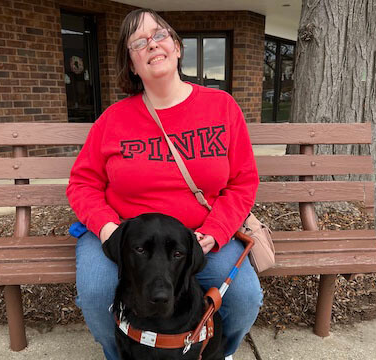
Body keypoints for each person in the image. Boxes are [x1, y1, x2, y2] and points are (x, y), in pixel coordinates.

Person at [66, 8, 263, 360]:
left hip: (197, 235)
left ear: (176, 46)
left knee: (245, 296)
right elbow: (82, 183)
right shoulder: (113, 119)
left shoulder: (222, 107)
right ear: (131, 64)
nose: (152, 45)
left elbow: (243, 182)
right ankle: (121, 354)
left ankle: (217, 351)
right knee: (97, 291)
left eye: (159, 35)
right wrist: (108, 229)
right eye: (138, 42)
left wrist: (216, 231)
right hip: (125, 236)